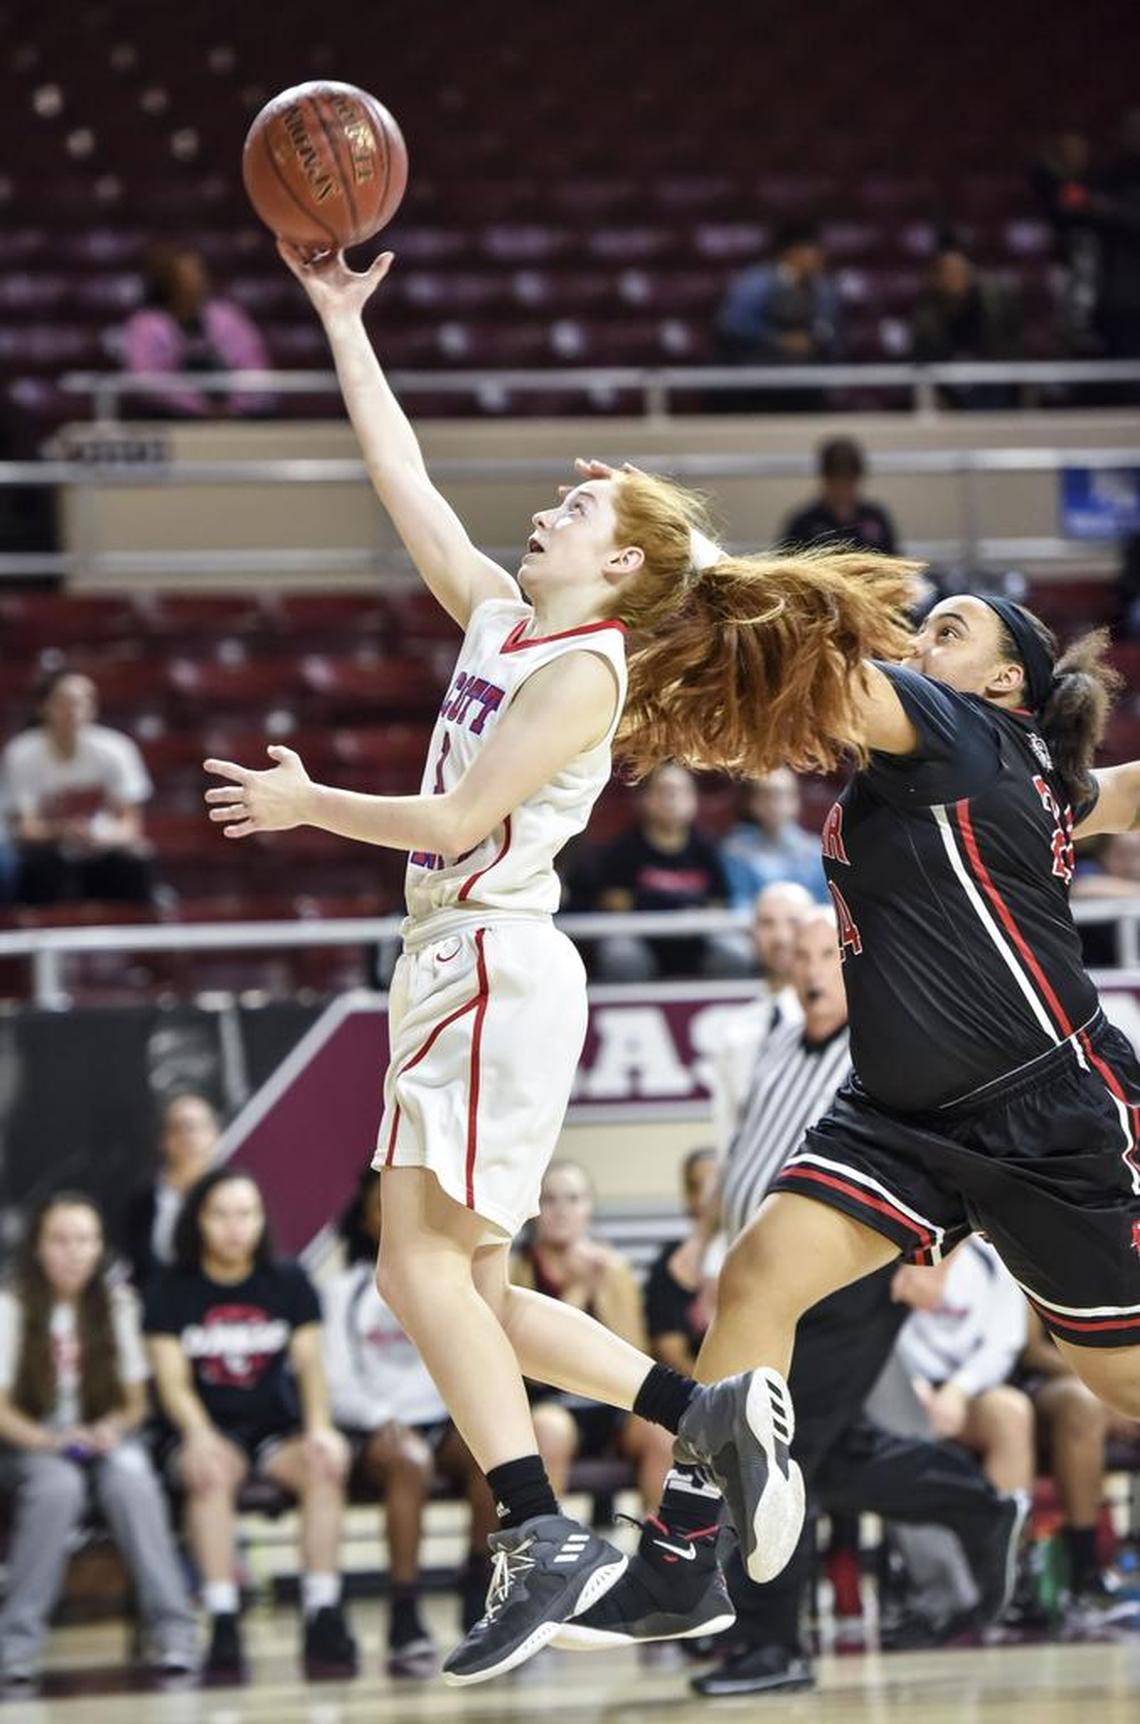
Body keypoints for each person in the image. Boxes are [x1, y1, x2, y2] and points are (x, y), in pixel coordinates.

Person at [203, 242, 916, 1684]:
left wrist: (306, 806)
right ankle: (697, 1414)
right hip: (462, 969)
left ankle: (542, 1529)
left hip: (489, 960)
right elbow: (400, 474)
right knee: (450, 1280)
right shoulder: (504, 620)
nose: (543, 507)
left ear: (624, 565)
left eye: (576, 504)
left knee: (419, 1274)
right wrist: (342, 321)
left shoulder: (584, 669)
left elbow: (462, 818)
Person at [571, 910, 1017, 1694]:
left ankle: (774, 1646)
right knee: (824, 1455)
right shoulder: (779, 1039)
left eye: (826, 954)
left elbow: (975, 1145)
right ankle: (977, 1505)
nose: (810, 968)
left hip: (853, 1276)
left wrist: (946, 1256)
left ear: (855, 963)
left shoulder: (890, 1042)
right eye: (800, 954)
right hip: (772, 1283)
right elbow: (744, 1156)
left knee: (772, 1453)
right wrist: (713, 1253)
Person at [144, 1169, 358, 1681]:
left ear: (261, 1221)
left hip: (272, 1430)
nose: (234, 1227)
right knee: (209, 1471)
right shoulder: (170, 1289)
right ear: (197, 1221)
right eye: (220, 1214)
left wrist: (320, 1428)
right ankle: (221, 1616)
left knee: (324, 1464)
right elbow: (172, 1382)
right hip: (201, 1429)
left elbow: (310, 1365)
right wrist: (198, 1435)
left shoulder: (288, 1281)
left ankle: (322, 1610)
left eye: (246, 1214)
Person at [0, 1194, 196, 1689]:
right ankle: (16, 1644)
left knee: (132, 1479)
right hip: (33, 1443)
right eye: (60, 1240)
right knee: (57, 1488)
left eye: (84, 1240)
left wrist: (110, 1430)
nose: (73, 1252)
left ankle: (175, 1632)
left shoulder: (118, 1303)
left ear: (100, 1247)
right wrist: (52, 1439)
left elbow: (136, 1404)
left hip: (102, 1438)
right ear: (39, 1248)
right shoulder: (11, 1305)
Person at [323, 1169, 498, 1673]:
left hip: (442, 1417)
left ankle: (478, 1584)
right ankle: (404, 1608)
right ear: (366, 1217)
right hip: (375, 1429)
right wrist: (380, 1418)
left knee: (492, 1451)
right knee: (408, 1460)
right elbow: (336, 1381)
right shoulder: (344, 1290)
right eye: (383, 1207)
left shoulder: (448, 1282)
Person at [512, 1162, 676, 1509]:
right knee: (548, 1430)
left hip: (611, 1404)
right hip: (549, 1403)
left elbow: (634, 1356)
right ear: (533, 1209)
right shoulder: (517, 1270)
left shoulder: (615, 1269)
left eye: (573, 1199)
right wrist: (578, 1290)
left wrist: (602, 1287)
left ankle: (661, 1553)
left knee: (661, 1434)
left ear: (588, 1208)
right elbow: (529, 1362)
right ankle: (545, 1552)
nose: (561, 1211)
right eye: (550, 1199)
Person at [1018, 1306, 1139, 1632]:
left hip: (1119, 1378)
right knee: (1083, 1407)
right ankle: (1085, 1575)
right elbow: (1031, 1348)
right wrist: (1110, 1391)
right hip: (1048, 1381)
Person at [3, 671, 156, 907]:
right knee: (39, 866)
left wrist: (102, 837)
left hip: (101, 846)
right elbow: (25, 829)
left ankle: (140, 935)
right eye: (66, 702)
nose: (75, 710)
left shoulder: (117, 749)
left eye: (85, 701)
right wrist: (62, 832)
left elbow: (131, 824)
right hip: (48, 850)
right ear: (44, 706)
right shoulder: (21, 754)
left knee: (136, 862)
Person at [893, 1241, 1034, 1494]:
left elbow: (1004, 1343)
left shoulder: (998, 1254)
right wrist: (909, 1382)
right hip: (897, 1381)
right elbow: (870, 1329)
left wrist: (959, 1389)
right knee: (897, 1414)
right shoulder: (896, 1243)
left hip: (966, 1389)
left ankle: (1004, 1527)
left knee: (1012, 1413)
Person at [578, 763, 736, 979]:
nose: (672, 799)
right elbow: (614, 901)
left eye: (680, 791)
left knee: (733, 951)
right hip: (641, 937)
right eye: (664, 791)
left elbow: (719, 902)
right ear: (645, 799)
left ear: (694, 800)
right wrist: (677, 910)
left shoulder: (707, 848)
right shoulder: (623, 849)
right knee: (621, 955)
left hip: (696, 939)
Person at [705, 882, 813, 1156]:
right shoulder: (733, 1030)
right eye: (767, 924)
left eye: (793, 922)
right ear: (752, 934)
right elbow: (726, 1128)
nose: (781, 937)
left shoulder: (845, 1019)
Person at [122, 244, 272, 419]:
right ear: (167, 282)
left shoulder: (227, 316)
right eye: (186, 276)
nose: (197, 280)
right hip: (174, 417)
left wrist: (235, 407)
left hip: (234, 415)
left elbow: (254, 365)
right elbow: (146, 381)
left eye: (199, 273)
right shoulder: (145, 324)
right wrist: (199, 407)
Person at [123, 1092, 221, 1292]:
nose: (187, 1137)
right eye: (178, 1129)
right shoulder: (142, 1202)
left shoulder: (237, 1196)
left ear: (215, 1135)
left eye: (195, 1128)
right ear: (163, 1140)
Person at [716, 222, 843, 365]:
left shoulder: (824, 287)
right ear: (792, 253)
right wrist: (780, 339)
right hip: (758, 360)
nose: (820, 259)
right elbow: (734, 323)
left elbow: (828, 324)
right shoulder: (757, 281)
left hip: (807, 362)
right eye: (812, 253)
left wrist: (814, 338)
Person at [645, 1149, 719, 1376]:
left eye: (716, 1186)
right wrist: (710, 1394)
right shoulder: (669, 1264)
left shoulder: (755, 1258)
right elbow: (669, 1351)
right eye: (699, 1186)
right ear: (688, 1196)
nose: (708, 1196)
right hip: (687, 1387)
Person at [720, 770, 827, 908]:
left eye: (782, 795)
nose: (774, 804)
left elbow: (825, 905)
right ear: (752, 803)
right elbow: (740, 903)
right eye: (766, 795)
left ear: (796, 801)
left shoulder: (816, 851)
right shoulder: (736, 851)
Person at [781, 438, 899, 558]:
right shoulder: (804, 523)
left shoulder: (875, 517)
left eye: (849, 480)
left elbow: (895, 565)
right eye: (837, 479)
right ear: (825, 479)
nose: (843, 488)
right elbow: (786, 570)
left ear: (858, 478)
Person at [1095, 108, 1140, 359]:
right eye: (1133, 131)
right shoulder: (1111, 174)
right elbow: (1074, 198)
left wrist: (1112, 210)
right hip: (1121, 297)